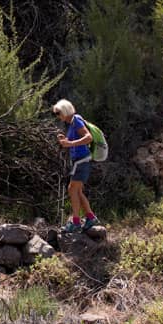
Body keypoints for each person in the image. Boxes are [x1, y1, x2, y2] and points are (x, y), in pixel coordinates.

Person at [53, 99, 99, 233]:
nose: (58, 116)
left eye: (58, 113)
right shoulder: (72, 123)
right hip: (80, 160)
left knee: (72, 189)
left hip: (82, 160)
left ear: (65, 111)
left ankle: (76, 222)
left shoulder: (76, 120)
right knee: (77, 191)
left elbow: (88, 137)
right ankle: (90, 217)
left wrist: (70, 144)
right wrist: (65, 141)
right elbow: (75, 141)